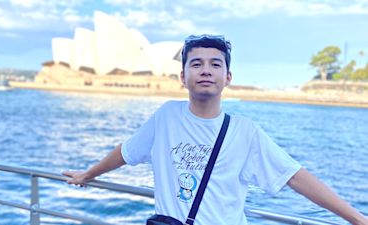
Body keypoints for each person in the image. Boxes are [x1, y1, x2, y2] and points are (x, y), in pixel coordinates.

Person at [63, 34, 368, 225]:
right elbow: (126, 152)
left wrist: (357, 219)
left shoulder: (245, 132)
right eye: (196, 64)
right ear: (183, 77)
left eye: (215, 64)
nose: (206, 70)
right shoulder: (166, 116)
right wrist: (88, 174)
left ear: (228, 76)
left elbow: (296, 178)